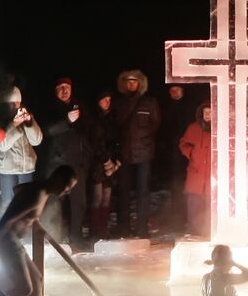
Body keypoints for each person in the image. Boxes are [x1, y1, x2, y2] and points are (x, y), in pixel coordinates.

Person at [0, 165, 78, 296]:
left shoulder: (40, 188)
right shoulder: (38, 195)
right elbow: (10, 219)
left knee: (37, 279)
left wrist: (32, 217)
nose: (67, 191)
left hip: (13, 239)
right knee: (25, 288)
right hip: (7, 239)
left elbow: (17, 188)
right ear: (58, 179)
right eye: (67, 187)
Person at [111, 69, 161, 238]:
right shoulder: (118, 102)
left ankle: (142, 229)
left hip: (144, 153)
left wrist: (146, 141)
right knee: (123, 192)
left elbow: (156, 124)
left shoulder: (149, 102)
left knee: (143, 192)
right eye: (128, 81)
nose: (131, 84)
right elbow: (114, 126)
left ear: (140, 83)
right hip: (124, 153)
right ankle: (123, 228)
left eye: (134, 81)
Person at [43, 77, 91, 249]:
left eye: (67, 87)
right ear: (55, 91)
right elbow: (47, 130)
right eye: (61, 87)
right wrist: (67, 121)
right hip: (57, 164)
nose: (64, 90)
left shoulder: (79, 106)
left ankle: (76, 239)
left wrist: (86, 158)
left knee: (79, 202)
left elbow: (87, 133)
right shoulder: (50, 107)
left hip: (77, 163)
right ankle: (55, 240)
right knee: (55, 202)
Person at [0, 84, 43, 211]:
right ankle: (7, 231)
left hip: (26, 169)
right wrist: (14, 124)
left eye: (18, 104)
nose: (17, 107)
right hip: (7, 171)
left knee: (26, 207)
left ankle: (27, 231)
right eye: (13, 104)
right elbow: (2, 145)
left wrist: (29, 123)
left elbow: (37, 141)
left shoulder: (24, 117)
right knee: (8, 207)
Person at [86, 87, 122, 241]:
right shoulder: (94, 119)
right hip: (97, 164)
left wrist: (117, 160)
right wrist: (106, 161)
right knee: (97, 197)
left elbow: (117, 141)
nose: (107, 102)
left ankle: (103, 229)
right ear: (98, 102)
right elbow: (95, 143)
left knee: (107, 197)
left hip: (111, 162)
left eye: (109, 99)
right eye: (104, 99)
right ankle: (95, 230)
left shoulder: (112, 118)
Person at [159, 84, 195, 234]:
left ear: (182, 91)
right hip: (172, 154)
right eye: (172, 90)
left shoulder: (190, 107)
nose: (174, 92)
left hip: (189, 153)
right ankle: (177, 220)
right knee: (175, 187)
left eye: (177, 89)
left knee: (190, 186)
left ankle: (190, 219)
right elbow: (162, 129)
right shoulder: (166, 107)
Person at [178, 102, 212, 236]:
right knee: (194, 202)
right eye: (206, 112)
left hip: (213, 174)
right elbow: (183, 144)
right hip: (196, 172)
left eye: (211, 112)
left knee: (212, 203)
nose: (208, 115)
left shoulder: (222, 128)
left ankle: (210, 231)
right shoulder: (193, 128)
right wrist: (192, 153)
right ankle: (193, 231)